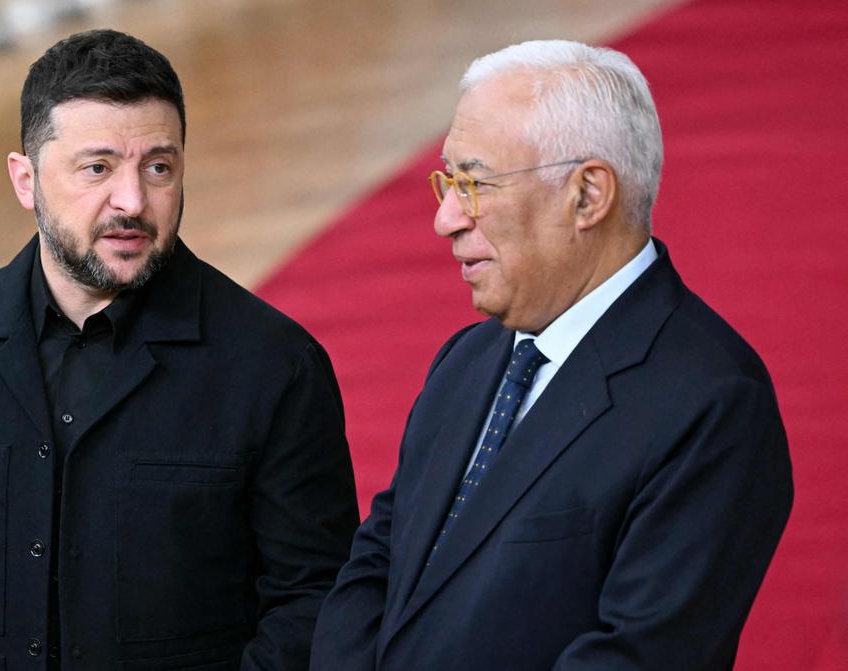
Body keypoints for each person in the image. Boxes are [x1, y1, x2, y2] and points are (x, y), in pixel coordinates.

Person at [0, 29, 359, 671]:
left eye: (158, 167)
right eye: (98, 168)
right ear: (26, 180)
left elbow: (313, 598)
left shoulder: (275, 366)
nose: (133, 201)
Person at [310, 40, 793, 670]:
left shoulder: (712, 401)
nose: (446, 218)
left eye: (475, 183)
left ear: (588, 195)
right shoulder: (466, 361)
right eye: (448, 182)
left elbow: (641, 654)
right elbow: (377, 564)